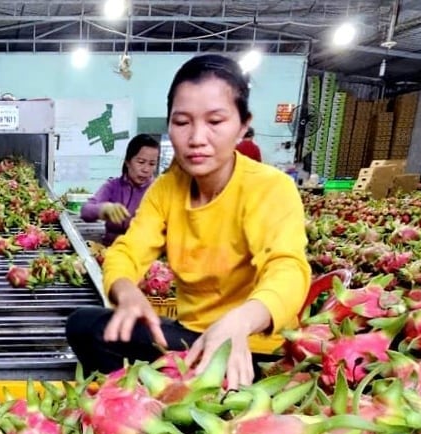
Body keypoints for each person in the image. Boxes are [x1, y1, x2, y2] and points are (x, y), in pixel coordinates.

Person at [65, 54, 310, 389]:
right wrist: (125, 292)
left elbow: (288, 269)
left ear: (242, 125)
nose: (197, 137)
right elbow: (128, 251)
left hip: (253, 347)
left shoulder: (270, 187)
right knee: (84, 325)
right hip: (189, 340)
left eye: (215, 121)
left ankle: (172, 401)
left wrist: (240, 322)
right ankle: (146, 404)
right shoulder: (166, 189)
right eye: (182, 122)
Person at [79, 134, 160, 246]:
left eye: (152, 164)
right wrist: (103, 209)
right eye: (141, 162)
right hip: (110, 251)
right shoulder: (113, 186)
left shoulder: (158, 191)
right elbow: (85, 211)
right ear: (127, 162)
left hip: (144, 256)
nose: (146, 169)